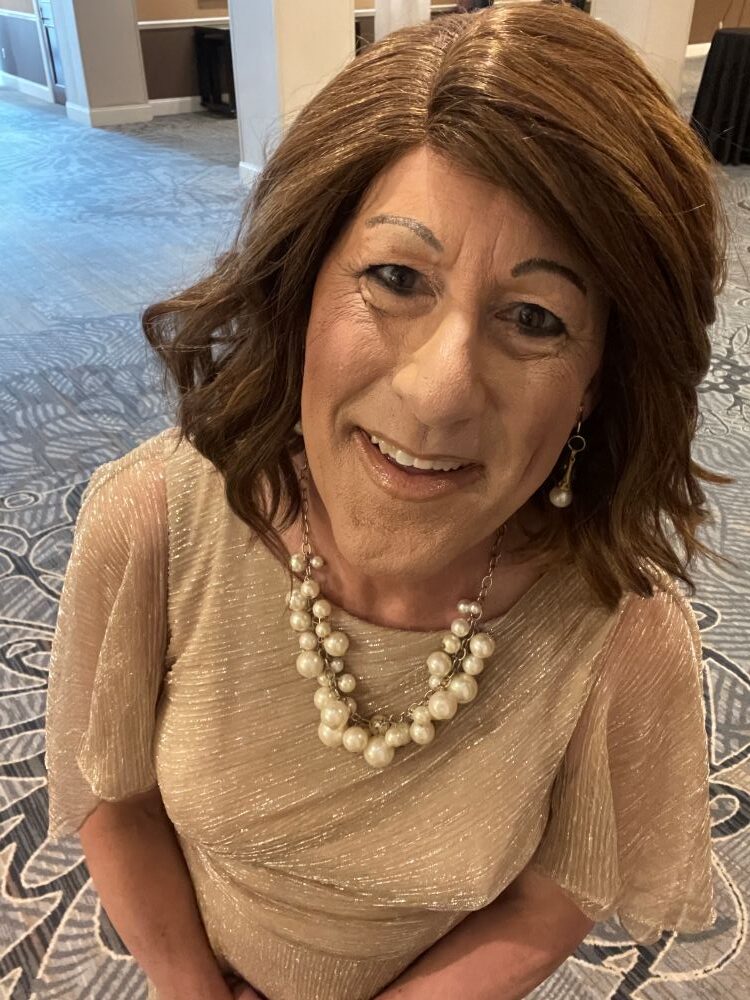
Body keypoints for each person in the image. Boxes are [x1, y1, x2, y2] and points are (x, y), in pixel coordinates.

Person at [44, 3, 728, 999]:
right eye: (398, 277)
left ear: (597, 380)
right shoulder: (153, 516)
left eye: (536, 318)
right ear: (301, 288)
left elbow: (559, 892)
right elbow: (115, 797)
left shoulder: (621, 629)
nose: (439, 392)